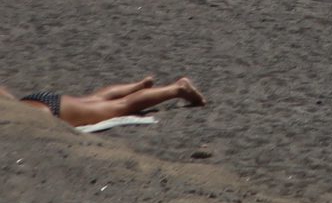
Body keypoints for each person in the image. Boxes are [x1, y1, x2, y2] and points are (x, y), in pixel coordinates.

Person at [17, 74, 207, 128]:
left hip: (53, 113)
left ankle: (178, 89)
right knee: (94, 99)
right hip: (34, 101)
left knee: (121, 106)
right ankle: (137, 86)